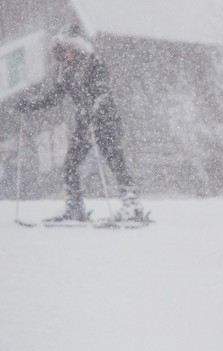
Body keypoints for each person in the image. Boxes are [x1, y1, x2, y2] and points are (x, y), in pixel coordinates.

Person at [15, 24, 145, 223]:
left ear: (77, 47)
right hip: (85, 123)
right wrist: (31, 104)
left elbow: (103, 92)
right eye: (61, 48)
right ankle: (74, 207)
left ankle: (132, 205)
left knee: (115, 161)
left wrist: (97, 110)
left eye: (68, 47)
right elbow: (54, 96)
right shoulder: (66, 70)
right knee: (70, 164)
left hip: (105, 121)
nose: (65, 52)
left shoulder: (94, 63)